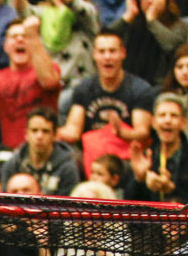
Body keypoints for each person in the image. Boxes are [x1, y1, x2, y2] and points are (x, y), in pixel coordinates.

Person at [0, 16, 62, 149]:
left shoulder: (49, 68)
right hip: (11, 154)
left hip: (45, 150)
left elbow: (48, 80)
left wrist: (34, 37)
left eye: (25, 36)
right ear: (6, 46)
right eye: (14, 37)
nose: (20, 39)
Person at [58, 30, 156, 168]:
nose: (107, 57)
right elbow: (74, 130)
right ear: (94, 55)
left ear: (123, 53)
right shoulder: (84, 88)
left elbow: (142, 132)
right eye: (102, 52)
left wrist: (122, 133)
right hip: (92, 155)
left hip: (126, 157)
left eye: (112, 51)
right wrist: (50, 132)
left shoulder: (140, 89)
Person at [127, 93, 188, 205]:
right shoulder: (145, 157)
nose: (167, 120)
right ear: (153, 122)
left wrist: (172, 191)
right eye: (162, 115)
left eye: (173, 115)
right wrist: (139, 179)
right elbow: (129, 207)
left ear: (183, 123)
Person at [0, 107, 80, 195]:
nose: (39, 136)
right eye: (34, 130)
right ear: (26, 134)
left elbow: (69, 206)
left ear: (55, 135)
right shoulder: (13, 164)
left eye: (45, 131)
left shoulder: (67, 168)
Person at [111, 0, 188, 86]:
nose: (149, 1)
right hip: (130, 84)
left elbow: (171, 47)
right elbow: (105, 40)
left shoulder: (178, 24)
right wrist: (128, 16)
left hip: (162, 86)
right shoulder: (133, 22)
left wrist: (152, 21)